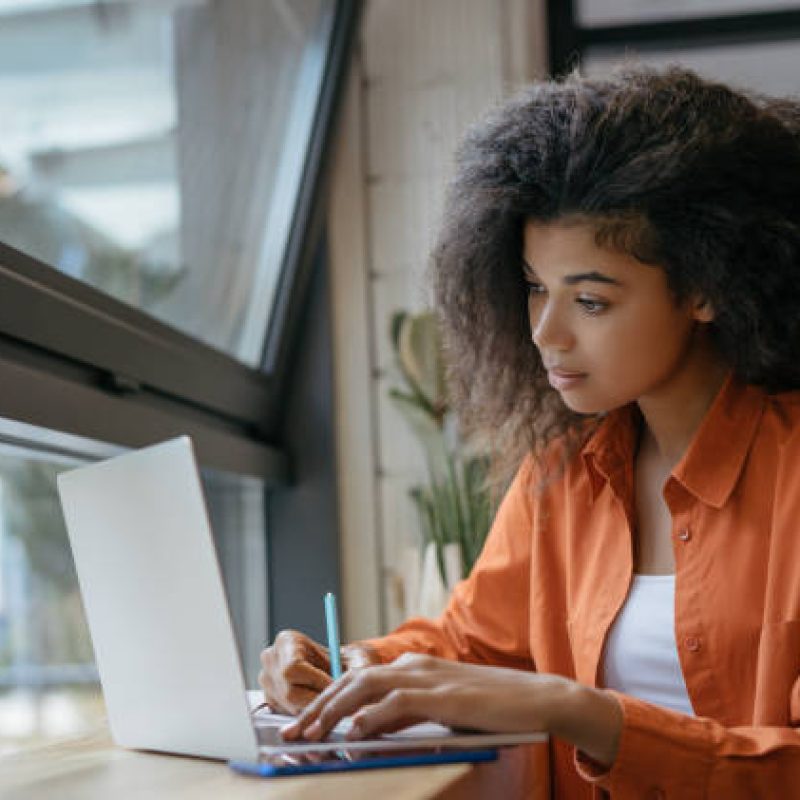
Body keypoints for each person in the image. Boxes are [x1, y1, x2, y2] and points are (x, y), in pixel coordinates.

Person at [259, 64, 800, 798]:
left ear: (706, 286)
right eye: (536, 288)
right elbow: (470, 645)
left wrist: (579, 710)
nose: (546, 332)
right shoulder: (562, 475)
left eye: (591, 301)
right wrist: (344, 667)